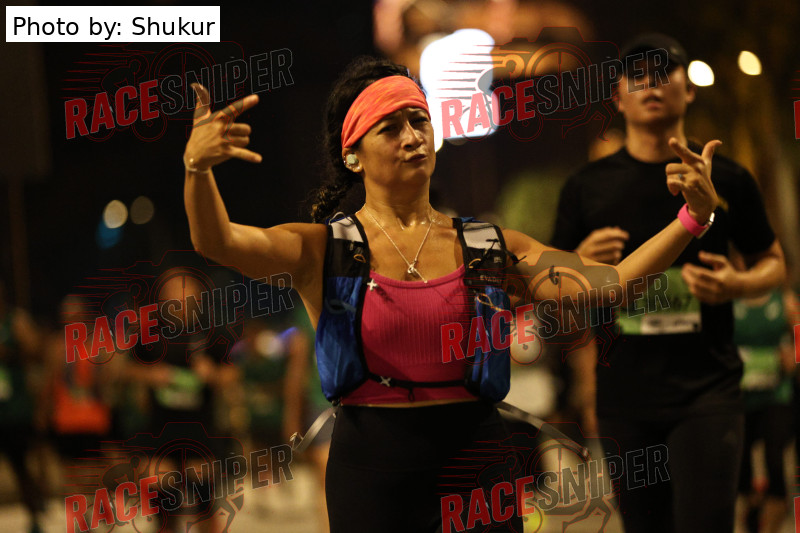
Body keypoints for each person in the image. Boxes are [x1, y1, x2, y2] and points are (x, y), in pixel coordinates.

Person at [183, 55, 724, 532]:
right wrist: (197, 169)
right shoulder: (323, 248)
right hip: (371, 468)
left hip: (477, 462)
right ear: (353, 155)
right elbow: (218, 241)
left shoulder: (489, 247)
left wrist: (693, 217)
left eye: (419, 121)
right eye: (389, 128)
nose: (411, 137)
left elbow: (613, 284)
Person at [551, 34, 786, 533]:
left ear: (689, 89)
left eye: (664, 73)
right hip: (624, 399)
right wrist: (579, 263)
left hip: (709, 392)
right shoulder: (586, 188)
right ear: (617, 98)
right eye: (636, 76)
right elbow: (554, 297)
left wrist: (736, 285)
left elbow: (774, 264)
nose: (651, 85)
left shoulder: (725, 178)